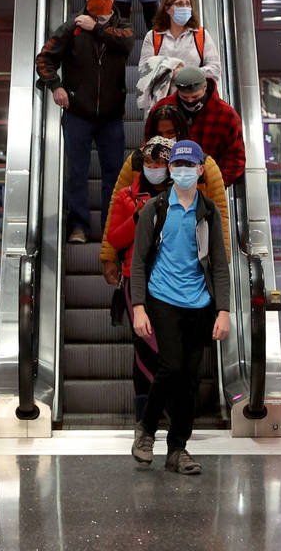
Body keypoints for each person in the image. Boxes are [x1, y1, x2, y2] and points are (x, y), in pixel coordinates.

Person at [129, 140, 230, 475]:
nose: (183, 171)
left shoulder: (209, 211)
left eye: (190, 166)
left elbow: (219, 265)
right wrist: (139, 307)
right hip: (163, 298)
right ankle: (146, 428)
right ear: (169, 170)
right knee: (171, 366)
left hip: (199, 303)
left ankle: (178, 449)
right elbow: (139, 262)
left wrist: (224, 311)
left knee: (190, 378)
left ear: (201, 169)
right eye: (177, 166)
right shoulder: (154, 209)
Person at [36, 0, 135, 244]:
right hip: (78, 113)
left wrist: (97, 29)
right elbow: (44, 58)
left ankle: (108, 228)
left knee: (114, 174)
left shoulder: (122, 26)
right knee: (76, 172)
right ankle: (78, 226)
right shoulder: (72, 27)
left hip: (112, 116)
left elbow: (126, 45)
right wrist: (55, 86)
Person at [100, 104, 230, 285]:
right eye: (161, 134)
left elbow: (221, 215)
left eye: (171, 133)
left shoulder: (205, 166)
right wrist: (108, 258)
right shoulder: (136, 163)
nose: (167, 138)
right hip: (141, 265)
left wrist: (221, 261)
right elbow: (116, 210)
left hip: (189, 265)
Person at [104, 136, 174, 421]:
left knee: (172, 345)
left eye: (159, 163)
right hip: (137, 278)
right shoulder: (126, 196)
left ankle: (172, 409)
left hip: (174, 280)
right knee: (145, 346)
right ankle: (146, 415)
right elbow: (115, 237)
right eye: (148, 162)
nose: (153, 167)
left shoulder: (184, 195)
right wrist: (137, 218)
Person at [145, 66, 245, 186]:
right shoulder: (161, 109)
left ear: (205, 87)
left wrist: (214, 185)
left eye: (195, 97)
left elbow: (235, 159)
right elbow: (149, 145)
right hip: (165, 185)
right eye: (185, 97)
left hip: (207, 186)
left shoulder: (227, 116)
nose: (190, 101)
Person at [136, 0, 221, 110]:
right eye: (180, 4)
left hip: (194, 103)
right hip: (162, 105)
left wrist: (185, 75)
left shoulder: (201, 35)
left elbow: (215, 69)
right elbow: (144, 68)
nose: (185, 7)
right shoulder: (153, 36)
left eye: (188, 4)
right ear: (167, 9)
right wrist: (172, 71)